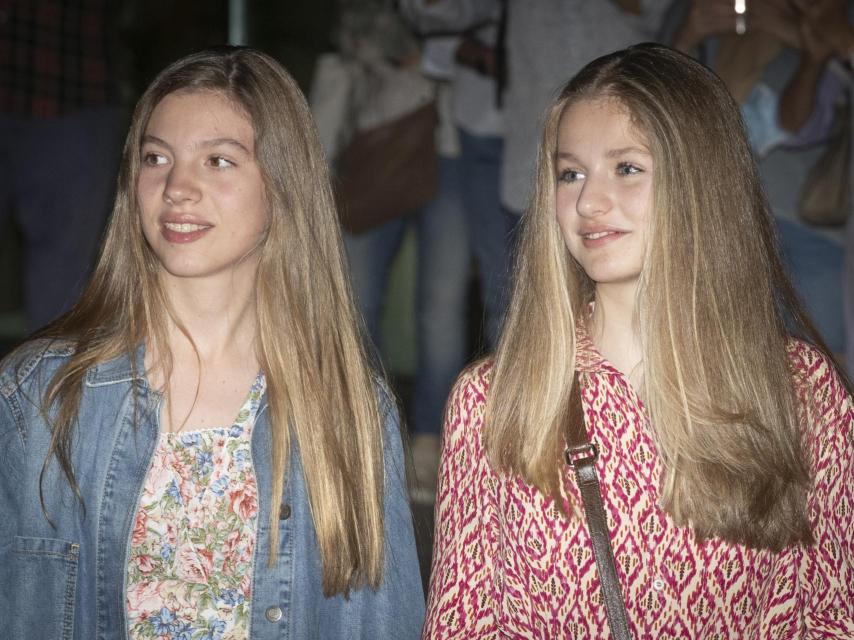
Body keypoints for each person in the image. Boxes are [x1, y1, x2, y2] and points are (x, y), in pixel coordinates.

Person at [423, 44, 854, 638]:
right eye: (570, 173)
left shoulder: (802, 391)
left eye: (627, 168)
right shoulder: (495, 399)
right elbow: (463, 624)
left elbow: (830, 616)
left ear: (701, 182)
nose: (587, 202)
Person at [0, 47, 424, 640]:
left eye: (218, 161)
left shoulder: (347, 409)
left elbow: (376, 622)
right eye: (156, 158)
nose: (177, 186)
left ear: (282, 186)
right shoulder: (41, 396)